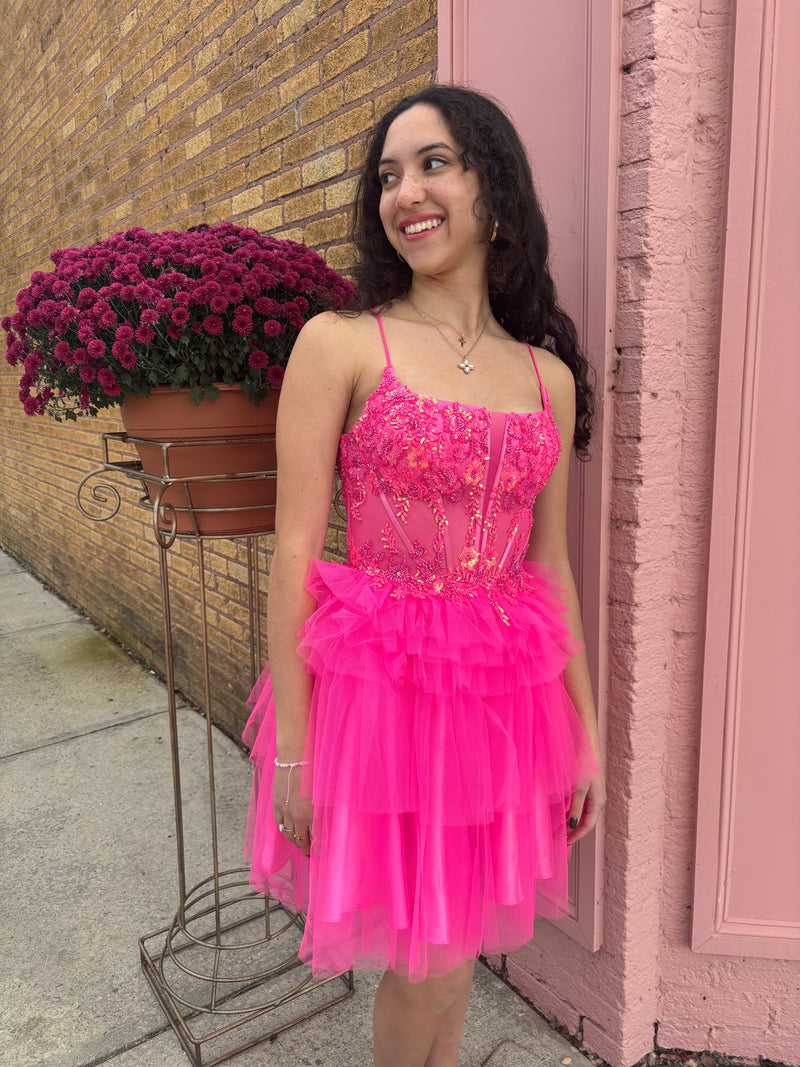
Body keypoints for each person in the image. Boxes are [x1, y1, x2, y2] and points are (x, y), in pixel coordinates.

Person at [242, 84, 605, 1067]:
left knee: (450, 956)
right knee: (431, 962)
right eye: (388, 175)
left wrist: (586, 729)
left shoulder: (544, 374)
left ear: (495, 187)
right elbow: (292, 552)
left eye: (432, 162)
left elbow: (550, 565)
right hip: (382, 704)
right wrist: (294, 754)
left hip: (502, 705)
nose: (404, 190)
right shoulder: (342, 343)